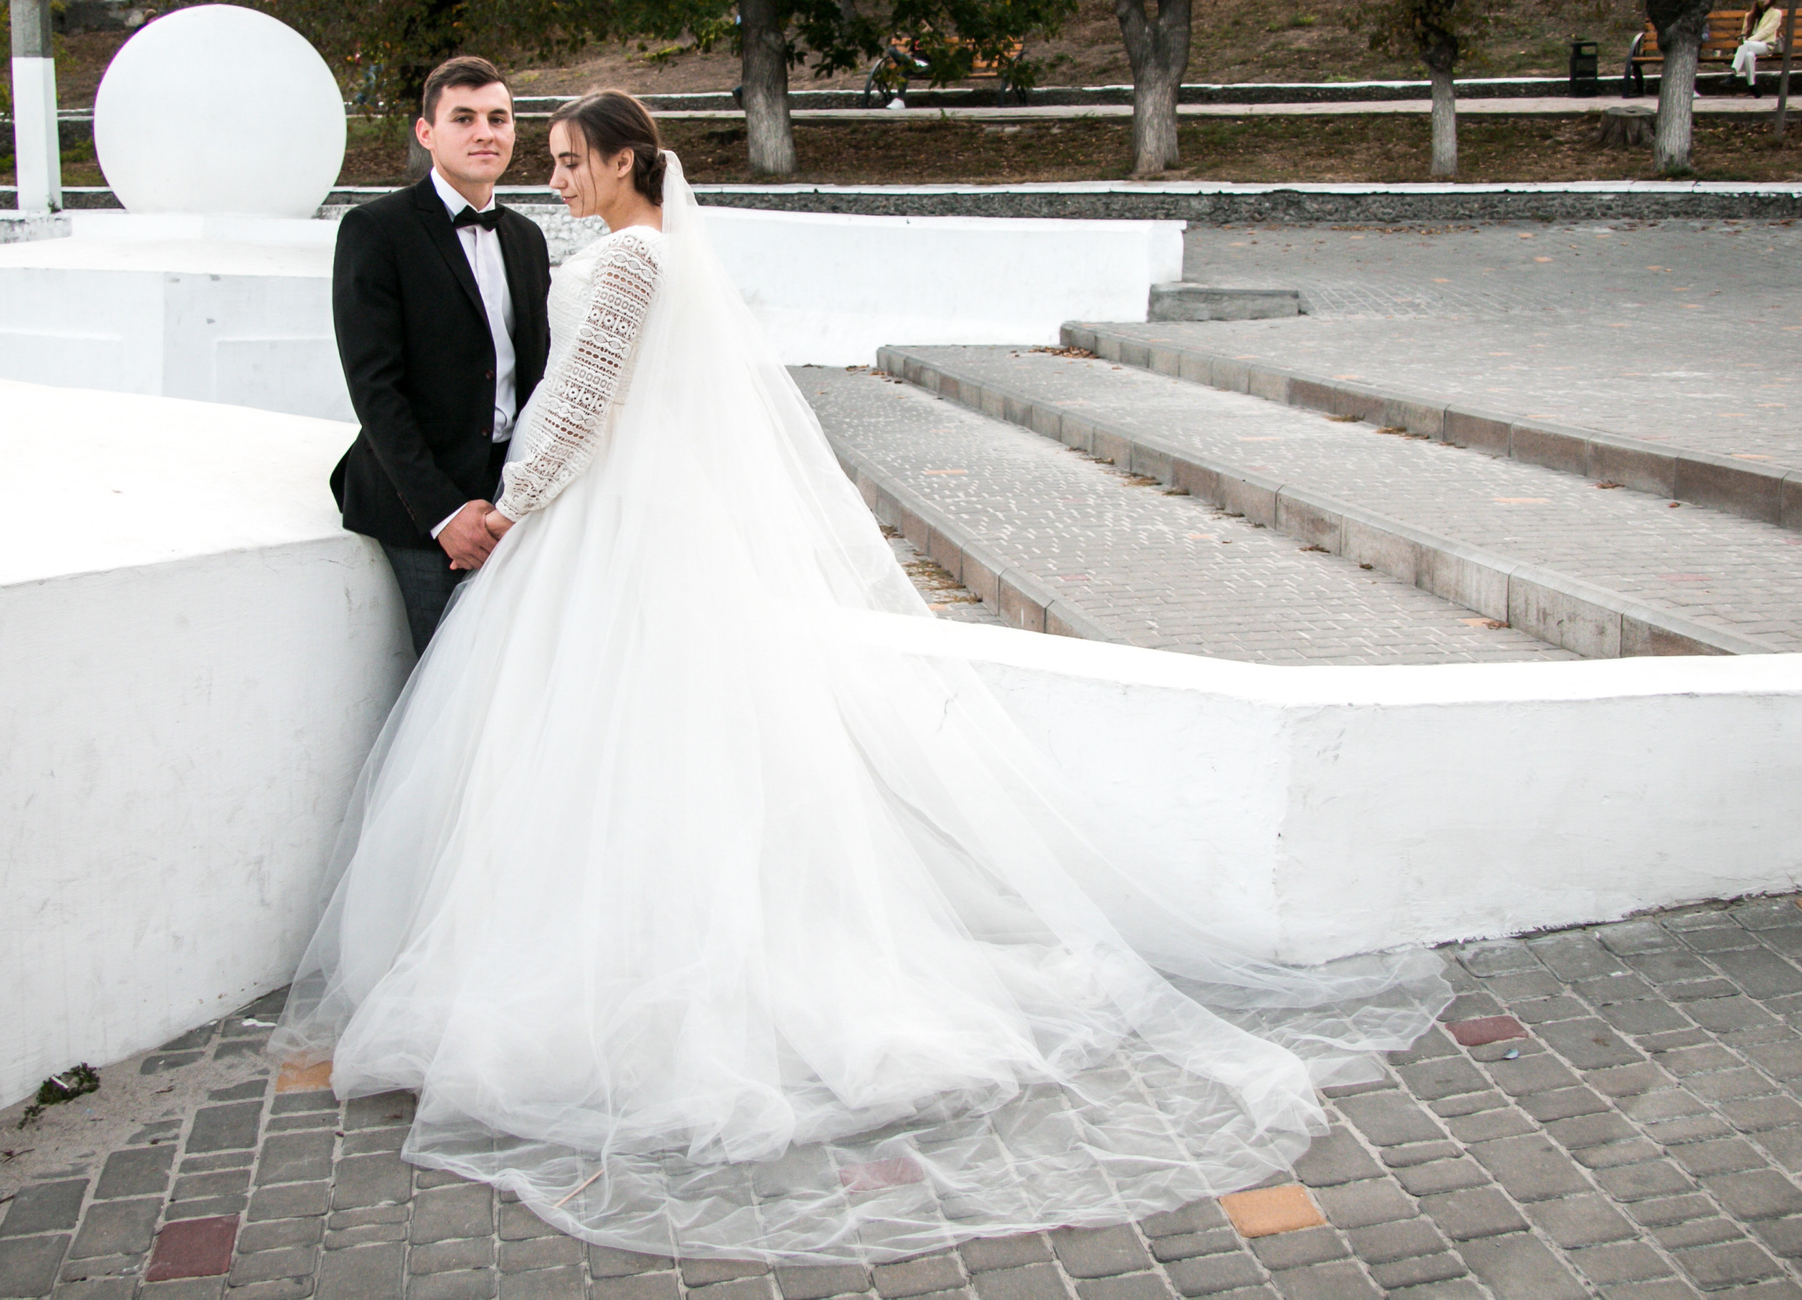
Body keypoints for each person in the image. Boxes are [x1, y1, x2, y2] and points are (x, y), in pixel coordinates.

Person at [276, 89, 1448, 1265]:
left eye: (572, 159)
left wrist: (512, 511)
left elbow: (581, 408)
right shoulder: (610, 246)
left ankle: (637, 967)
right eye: (549, 158)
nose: (556, 177)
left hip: (598, 520)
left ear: (631, 162)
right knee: (631, 743)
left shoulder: (628, 259)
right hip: (608, 516)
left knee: (616, 735)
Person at [329, 56, 551, 654]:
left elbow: (535, 377)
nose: (486, 132)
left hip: (513, 496)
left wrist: (527, 494)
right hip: (420, 507)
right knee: (444, 688)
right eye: (464, 118)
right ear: (427, 133)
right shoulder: (375, 230)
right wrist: (443, 513)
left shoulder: (526, 238)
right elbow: (375, 389)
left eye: (498, 118)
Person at [1729, 0, 1785, 89]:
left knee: (1745, 45)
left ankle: (1733, 74)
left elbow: (1767, 31)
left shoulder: (1776, 13)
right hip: (1750, 46)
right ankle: (1752, 85)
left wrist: (1748, 41)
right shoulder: (1750, 15)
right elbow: (1744, 32)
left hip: (1767, 45)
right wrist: (1743, 40)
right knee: (1748, 56)